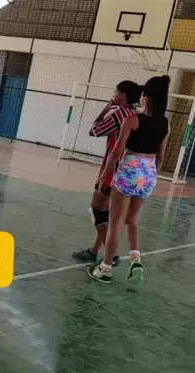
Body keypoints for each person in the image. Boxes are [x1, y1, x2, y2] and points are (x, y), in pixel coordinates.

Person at [88, 75, 171, 284]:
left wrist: (103, 177)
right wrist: (152, 176)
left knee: (116, 222)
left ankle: (105, 268)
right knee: (132, 220)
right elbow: (161, 156)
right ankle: (136, 261)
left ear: (146, 97)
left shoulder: (133, 120)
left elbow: (117, 152)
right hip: (149, 171)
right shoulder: (165, 124)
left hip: (130, 169)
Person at [72, 80, 141, 266]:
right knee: (106, 214)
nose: (113, 95)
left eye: (115, 92)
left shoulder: (118, 115)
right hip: (129, 170)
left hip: (112, 170)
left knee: (96, 210)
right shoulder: (136, 115)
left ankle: (112, 254)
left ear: (123, 96)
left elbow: (94, 131)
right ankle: (93, 251)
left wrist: (105, 109)